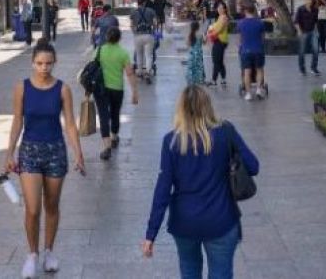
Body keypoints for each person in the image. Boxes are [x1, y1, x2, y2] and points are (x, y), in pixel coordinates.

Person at [142, 85, 260, 279]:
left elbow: (162, 189)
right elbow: (253, 166)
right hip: (221, 220)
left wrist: (150, 234)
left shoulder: (171, 142)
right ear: (208, 106)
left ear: (181, 109)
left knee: (189, 271)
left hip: (184, 222)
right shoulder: (225, 132)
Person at [4, 39, 85, 279]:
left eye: (48, 63)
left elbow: (70, 124)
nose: (44, 68)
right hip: (29, 150)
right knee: (32, 209)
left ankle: (49, 251)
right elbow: (17, 120)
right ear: (32, 63)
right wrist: (9, 152)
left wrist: (78, 153)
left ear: (54, 63)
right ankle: (32, 254)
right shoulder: (22, 88)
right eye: (39, 63)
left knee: (52, 206)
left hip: (55, 151)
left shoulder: (63, 89)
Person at [96, 27, 139, 160]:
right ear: (119, 38)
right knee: (115, 114)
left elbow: (92, 67)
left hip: (101, 89)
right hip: (117, 89)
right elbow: (130, 73)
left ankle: (107, 146)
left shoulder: (99, 50)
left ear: (107, 37)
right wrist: (135, 92)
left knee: (104, 116)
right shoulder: (123, 53)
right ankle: (114, 137)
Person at [237, 3, 267, 101]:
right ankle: (258, 89)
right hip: (258, 49)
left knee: (247, 72)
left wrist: (240, 46)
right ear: (254, 11)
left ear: (245, 11)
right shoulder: (260, 23)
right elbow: (263, 38)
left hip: (246, 50)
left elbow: (240, 39)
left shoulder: (241, 23)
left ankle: (248, 93)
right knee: (259, 70)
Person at [130, 0, 157, 80]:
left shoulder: (133, 12)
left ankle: (140, 71)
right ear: (144, 3)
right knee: (149, 55)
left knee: (139, 54)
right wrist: (153, 31)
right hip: (148, 35)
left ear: (138, 3)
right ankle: (148, 72)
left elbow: (131, 25)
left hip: (138, 36)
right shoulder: (151, 11)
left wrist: (134, 32)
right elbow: (155, 23)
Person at [295, 0, 320, 76]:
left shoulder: (315, 10)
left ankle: (314, 68)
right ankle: (302, 69)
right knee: (302, 51)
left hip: (313, 32)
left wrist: (316, 32)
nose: (309, 1)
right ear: (305, 0)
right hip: (303, 32)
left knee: (316, 50)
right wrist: (299, 31)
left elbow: (316, 21)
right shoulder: (300, 9)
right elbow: (296, 22)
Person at [206, 2, 230, 88]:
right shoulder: (220, 17)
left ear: (225, 9)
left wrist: (210, 33)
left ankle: (214, 81)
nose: (219, 9)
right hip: (219, 41)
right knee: (219, 61)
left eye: (221, 8)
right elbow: (215, 27)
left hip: (220, 41)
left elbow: (219, 29)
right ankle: (223, 80)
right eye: (218, 8)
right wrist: (211, 28)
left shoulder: (224, 18)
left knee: (216, 61)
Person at [185, 21, 206, 86]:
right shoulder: (201, 34)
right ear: (198, 27)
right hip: (199, 52)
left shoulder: (190, 35)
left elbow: (187, 44)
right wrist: (205, 37)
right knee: (199, 66)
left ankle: (191, 79)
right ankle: (199, 79)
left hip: (192, 52)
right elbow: (204, 43)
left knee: (191, 66)